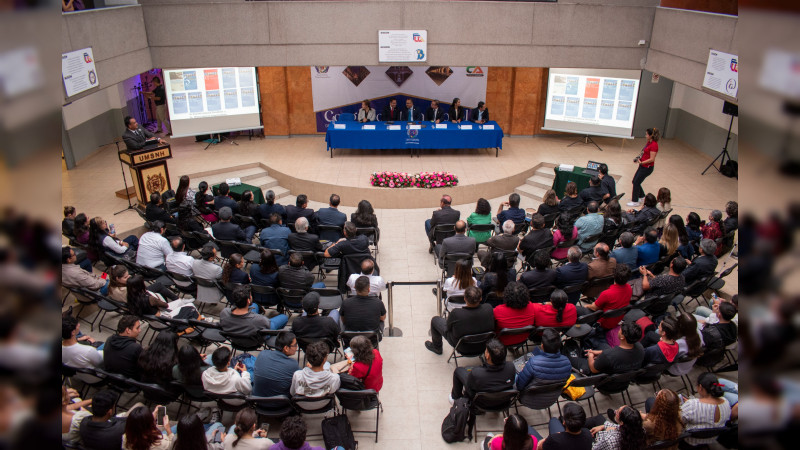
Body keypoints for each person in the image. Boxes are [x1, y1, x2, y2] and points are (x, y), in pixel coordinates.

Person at [426, 285, 494, 355]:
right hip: (483, 346)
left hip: (462, 347)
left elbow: (448, 327)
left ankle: (437, 348)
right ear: (480, 298)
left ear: (464, 299)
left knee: (435, 320)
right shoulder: (488, 308)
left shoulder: (457, 313)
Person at [570, 321, 644, 379]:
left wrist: (590, 355)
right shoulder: (640, 348)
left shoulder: (608, 355)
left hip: (605, 381)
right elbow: (614, 353)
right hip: (623, 378)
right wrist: (600, 352)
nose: (618, 331)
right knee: (602, 345)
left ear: (622, 337)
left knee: (571, 358)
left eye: (620, 330)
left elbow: (593, 369)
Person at [450, 338, 515, 402]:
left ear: (488, 355)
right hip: (502, 401)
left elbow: (469, 389)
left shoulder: (477, 373)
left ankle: (456, 399)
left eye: (486, 350)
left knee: (458, 371)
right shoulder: (511, 367)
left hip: (481, 403)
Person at [681, 373, 732, 446]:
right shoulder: (726, 402)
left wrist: (685, 406)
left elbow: (679, 420)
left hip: (690, 440)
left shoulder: (692, 405)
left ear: (700, 387)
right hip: (711, 439)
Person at [220, 285, 289, 338]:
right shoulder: (259, 319)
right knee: (284, 317)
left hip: (236, 336)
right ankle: (272, 336)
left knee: (254, 305)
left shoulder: (224, 313)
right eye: (251, 295)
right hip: (253, 340)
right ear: (248, 300)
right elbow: (267, 324)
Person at [578, 264, 631, 332]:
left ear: (614, 276)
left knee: (577, 309)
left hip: (604, 323)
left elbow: (594, 308)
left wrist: (587, 306)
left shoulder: (607, 294)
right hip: (617, 318)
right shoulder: (629, 288)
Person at [126, 273, 196, 320]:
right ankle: (201, 320)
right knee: (190, 305)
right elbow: (165, 305)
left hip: (152, 320)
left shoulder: (130, 297)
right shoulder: (150, 299)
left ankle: (181, 301)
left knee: (181, 303)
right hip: (164, 318)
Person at [252, 331, 300, 397]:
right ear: (286, 348)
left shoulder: (262, 354)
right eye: (295, 345)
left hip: (257, 400)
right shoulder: (292, 365)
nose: (297, 347)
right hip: (279, 404)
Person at [628, 127, 659, 207]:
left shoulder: (654, 145)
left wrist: (642, 162)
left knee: (636, 182)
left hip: (646, 168)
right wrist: (638, 158)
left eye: (646, 134)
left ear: (650, 135)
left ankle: (635, 201)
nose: (645, 136)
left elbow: (652, 159)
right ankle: (642, 196)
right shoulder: (649, 142)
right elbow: (644, 152)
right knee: (635, 181)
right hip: (642, 166)